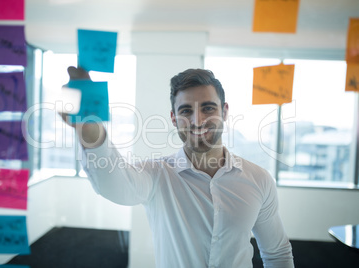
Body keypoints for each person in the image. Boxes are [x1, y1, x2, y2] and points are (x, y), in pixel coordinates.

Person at [62, 66, 294, 268]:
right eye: (186, 111)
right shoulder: (156, 175)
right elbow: (114, 185)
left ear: (224, 112)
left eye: (208, 108)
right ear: (173, 118)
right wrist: (91, 130)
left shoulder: (258, 179)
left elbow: (277, 253)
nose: (197, 120)